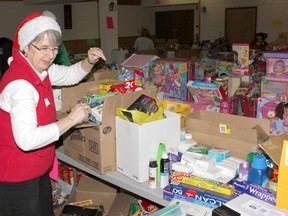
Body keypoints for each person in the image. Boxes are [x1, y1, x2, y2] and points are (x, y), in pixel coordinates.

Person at [0, 12, 106, 216]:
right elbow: (27, 140)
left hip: (36, 171)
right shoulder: (20, 85)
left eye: (54, 49)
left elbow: (70, 75)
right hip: (16, 179)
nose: (49, 55)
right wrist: (71, 120)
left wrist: (89, 61)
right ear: (25, 46)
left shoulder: (40, 69)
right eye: (43, 48)